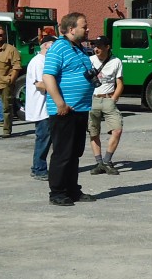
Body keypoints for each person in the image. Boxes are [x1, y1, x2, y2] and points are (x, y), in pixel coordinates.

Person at [43, 12, 97, 207]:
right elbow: (48, 76)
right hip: (65, 110)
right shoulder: (59, 47)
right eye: (84, 26)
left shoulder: (79, 48)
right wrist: (60, 103)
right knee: (63, 153)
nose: (88, 29)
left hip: (80, 108)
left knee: (75, 152)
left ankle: (72, 189)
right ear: (71, 29)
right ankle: (57, 192)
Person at [87, 37, 125, 176]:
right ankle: (99, 163)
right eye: (94, 46)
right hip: (93, 99)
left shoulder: (116, 62)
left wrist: (113, 99)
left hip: (108, 99)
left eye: (99, 46)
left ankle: (107, 161)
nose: (96, 49)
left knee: (117, 129)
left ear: (107, 47)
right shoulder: (90, 60)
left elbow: (120, 83)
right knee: (93, 131)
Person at [26, 35, 55, 180]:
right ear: (45, 45)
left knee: (47, 139)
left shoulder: (45, 61)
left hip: (47, 107)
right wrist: (58, 89)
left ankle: (41, 167)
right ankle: (38, 169)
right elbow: (40, 84)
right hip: (41, 108)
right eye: (53, 45)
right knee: (43, 139)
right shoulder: (38, 62)